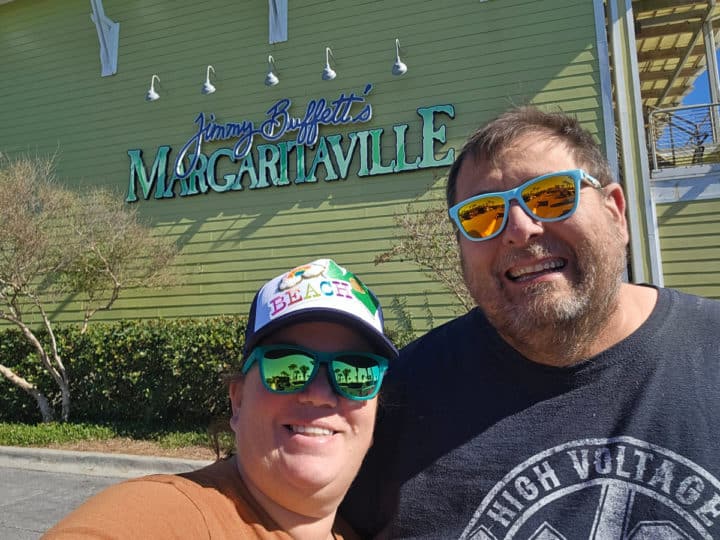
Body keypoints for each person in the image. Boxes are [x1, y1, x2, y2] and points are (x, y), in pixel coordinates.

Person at [341, 106, 720, 539]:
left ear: (616, 212)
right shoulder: (398, 401)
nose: (519, 229)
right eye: (481, 214)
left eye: (552, 194)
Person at [44, 258, 398, 540]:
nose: (320, 394)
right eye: (288, 367)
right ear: (239, 401)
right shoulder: (168, 514)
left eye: (357, 372)